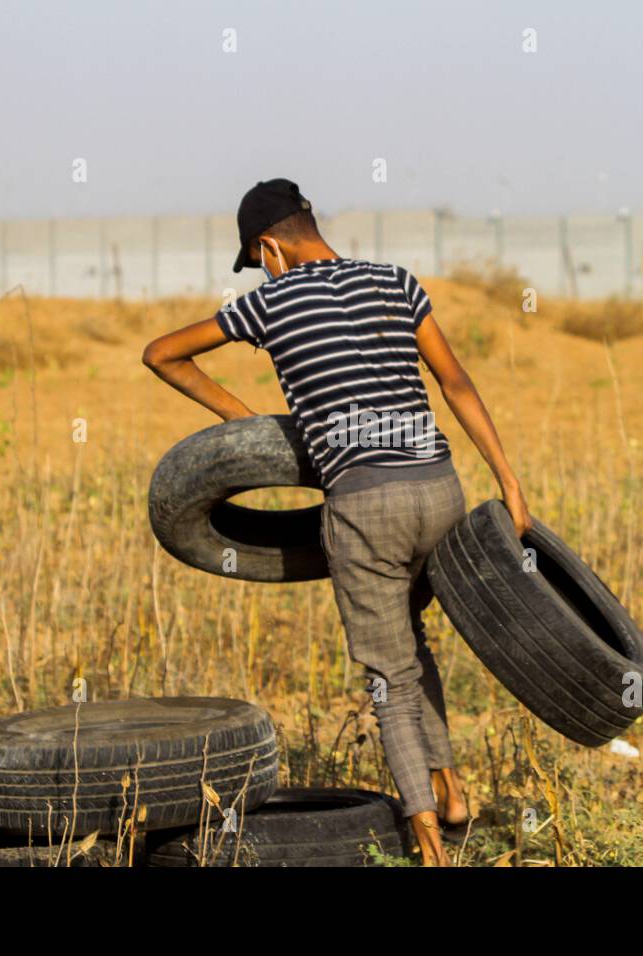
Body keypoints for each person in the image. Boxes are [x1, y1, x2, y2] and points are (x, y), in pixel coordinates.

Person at [142, 178, 530, 866]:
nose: (262, 269)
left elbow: (162, 353)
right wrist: (510, 482)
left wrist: (246, 429)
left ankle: (431, 844)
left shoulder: (268, 301)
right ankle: (452, 792)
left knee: (387, 677)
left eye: (258, 258)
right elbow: (457, 383)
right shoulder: (395, 281)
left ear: (269, 246)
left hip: (364, 505)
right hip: (439, 488)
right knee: (413, 646)